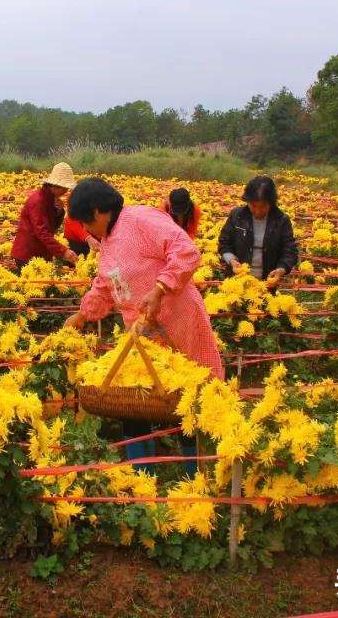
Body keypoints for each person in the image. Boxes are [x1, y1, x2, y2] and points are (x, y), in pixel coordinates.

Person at [63, 178, 223, 470]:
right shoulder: (108, 242)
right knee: (137, 400)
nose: (85, 230)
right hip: (143, 333)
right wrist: (82, 315)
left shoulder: (139, 218)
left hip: (178, 320)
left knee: (188, 396)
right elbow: (106, 286)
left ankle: (197, 472)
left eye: (85, 222)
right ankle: (142, 477)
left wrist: (160, 289)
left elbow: (185, 250)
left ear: (98, 211)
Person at [218, 175, 298, 287]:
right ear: (247, 201)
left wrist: (281, 269)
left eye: (263, 206)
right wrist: (231, 260)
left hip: (266, 284)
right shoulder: (237, 216)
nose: (258, 211)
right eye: (253, 205)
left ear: (271, 202)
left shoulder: (281, 220)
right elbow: (224, 243)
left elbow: (289, 250)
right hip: (237, 284)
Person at [11, 162, 79, 268]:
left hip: (40, 253)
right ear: (56, 186)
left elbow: (52, 228)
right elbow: (42, 232)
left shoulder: (50, 199)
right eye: (64, 188)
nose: (66, 192)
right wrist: (64, 251)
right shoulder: (38, 201)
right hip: (28, 254)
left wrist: (59, 212)